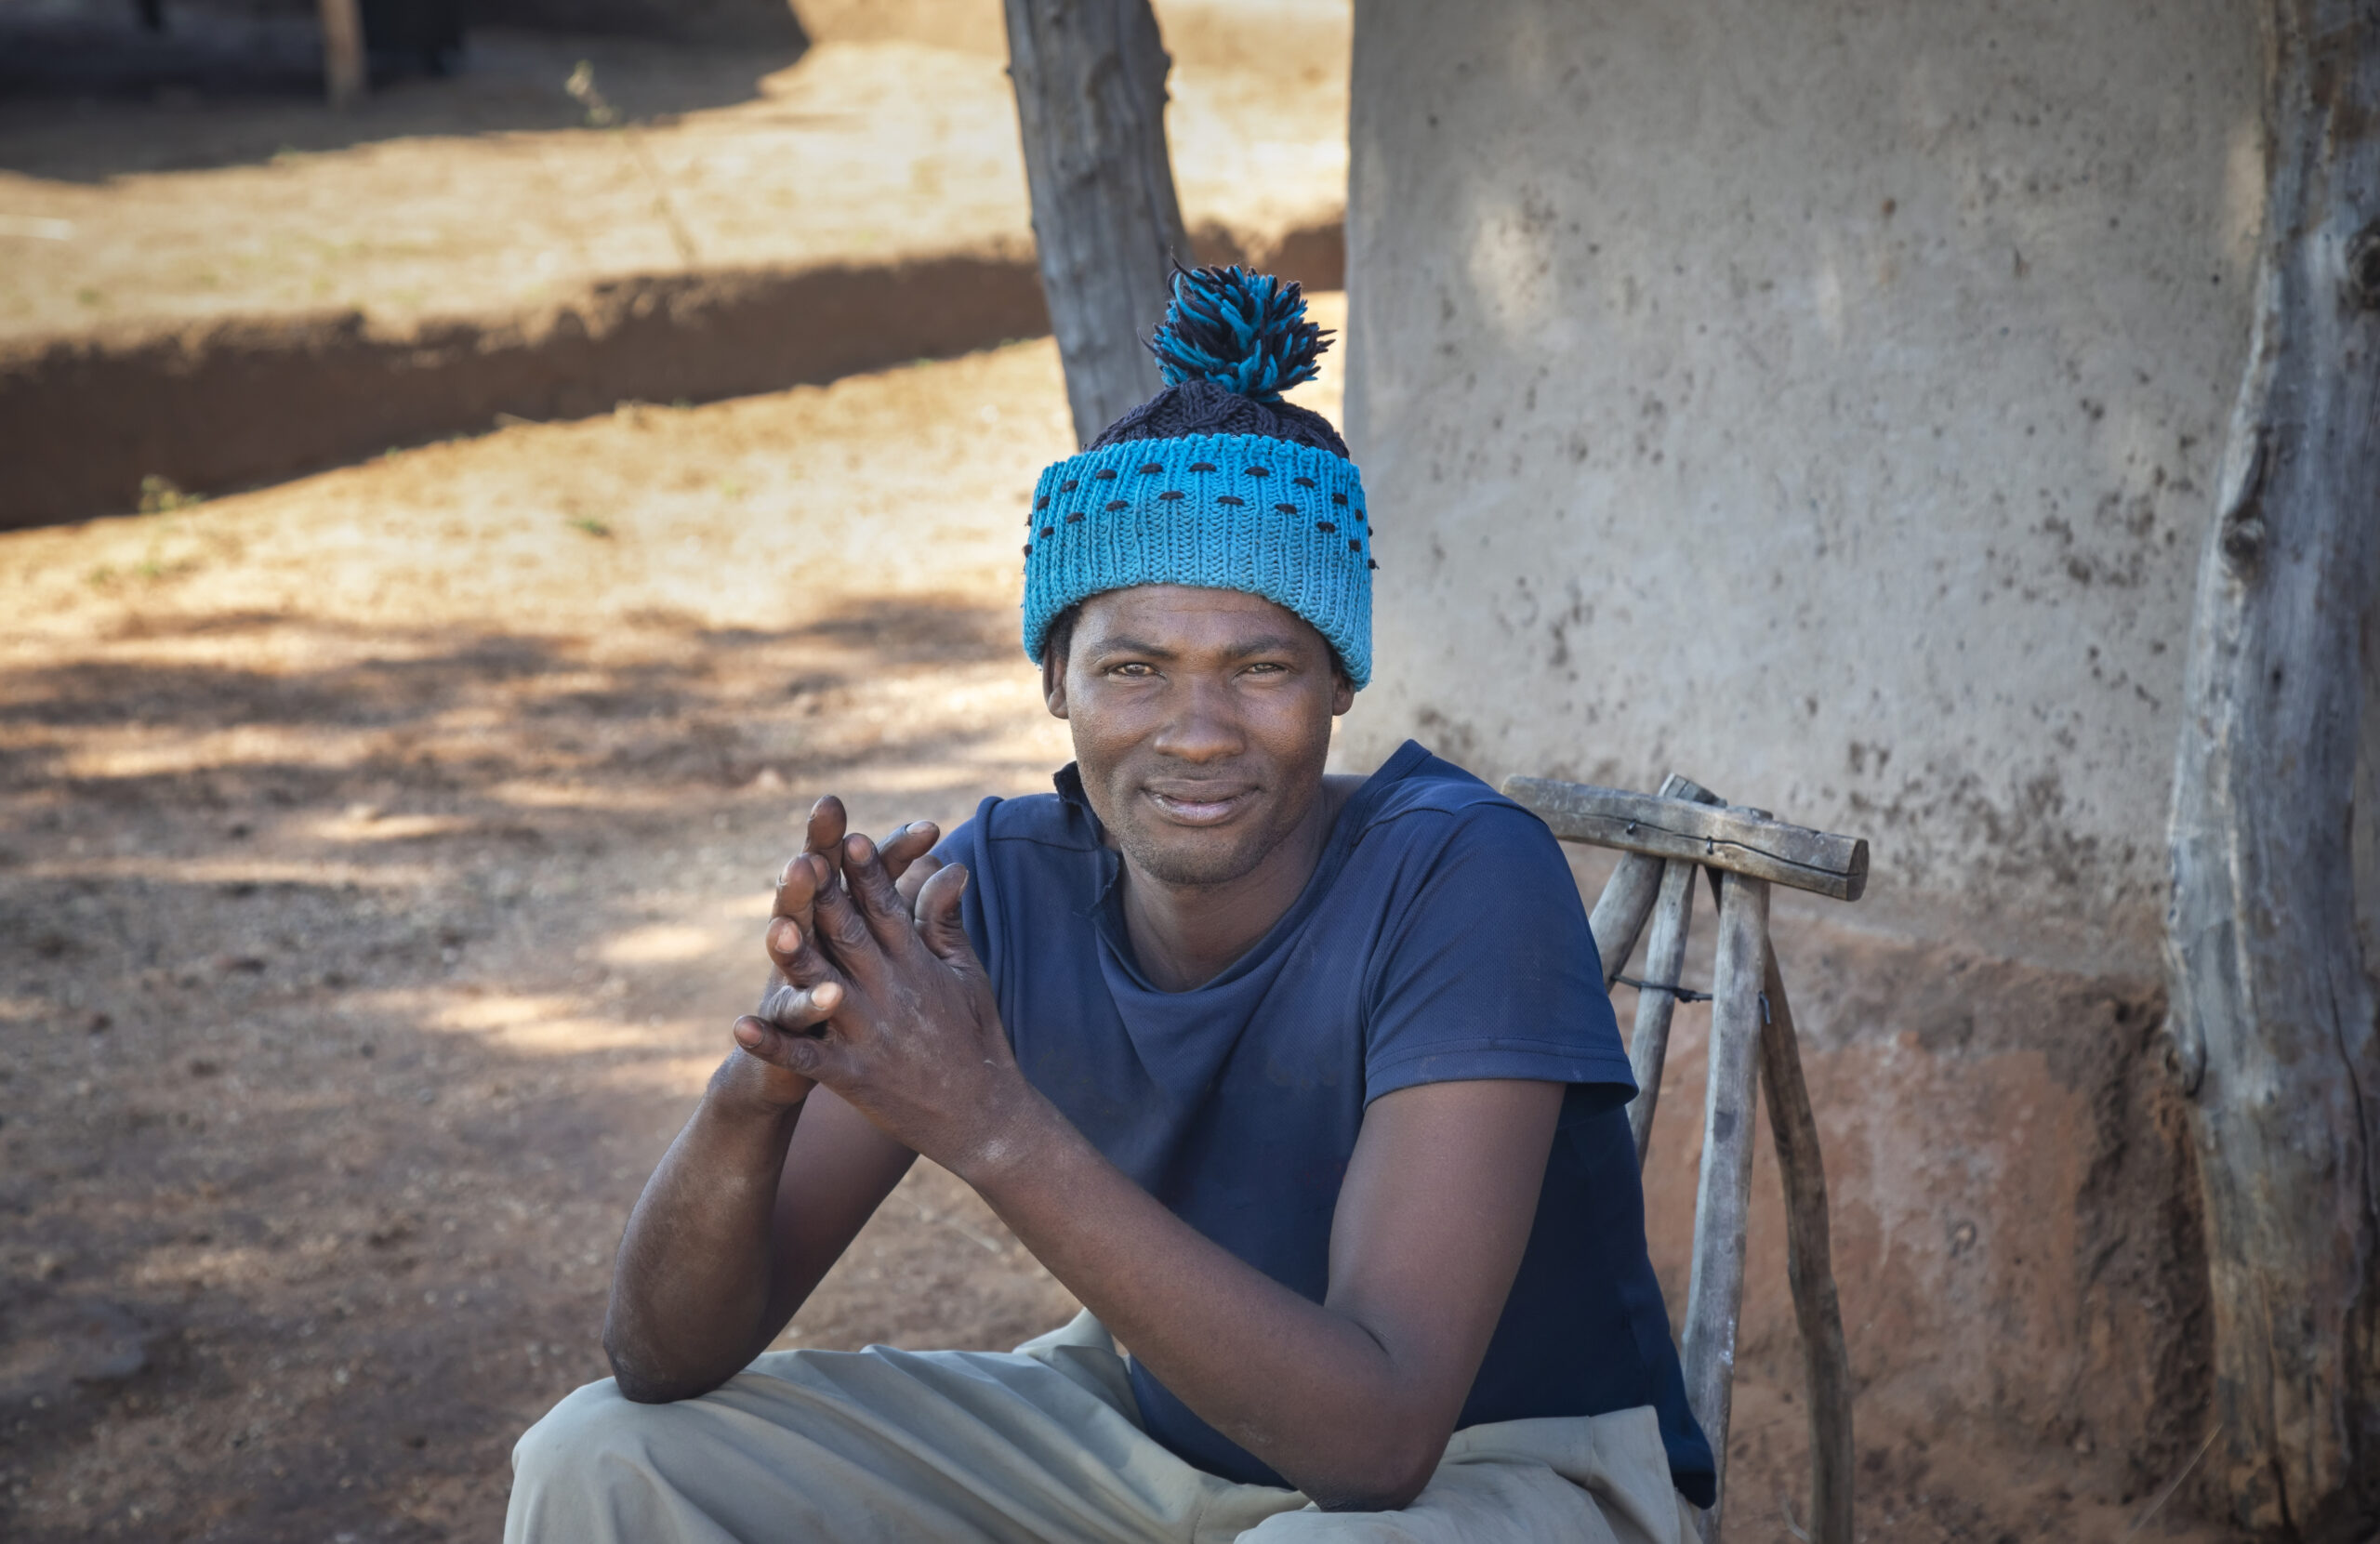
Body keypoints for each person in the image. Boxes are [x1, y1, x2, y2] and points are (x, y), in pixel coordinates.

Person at [506, 266, 1716, 1543]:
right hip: (1151, 1440)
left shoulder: (1464, 875)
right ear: (1054, 679)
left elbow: (1381, 1439)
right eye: (1134, 668)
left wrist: (994, 1124)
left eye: (1261, 667)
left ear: (1339, 685)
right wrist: (757, 1086)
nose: (1198, 733)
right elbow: (658, 1355)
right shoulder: (997, 887)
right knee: (605, 1455)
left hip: (1508, 1474)